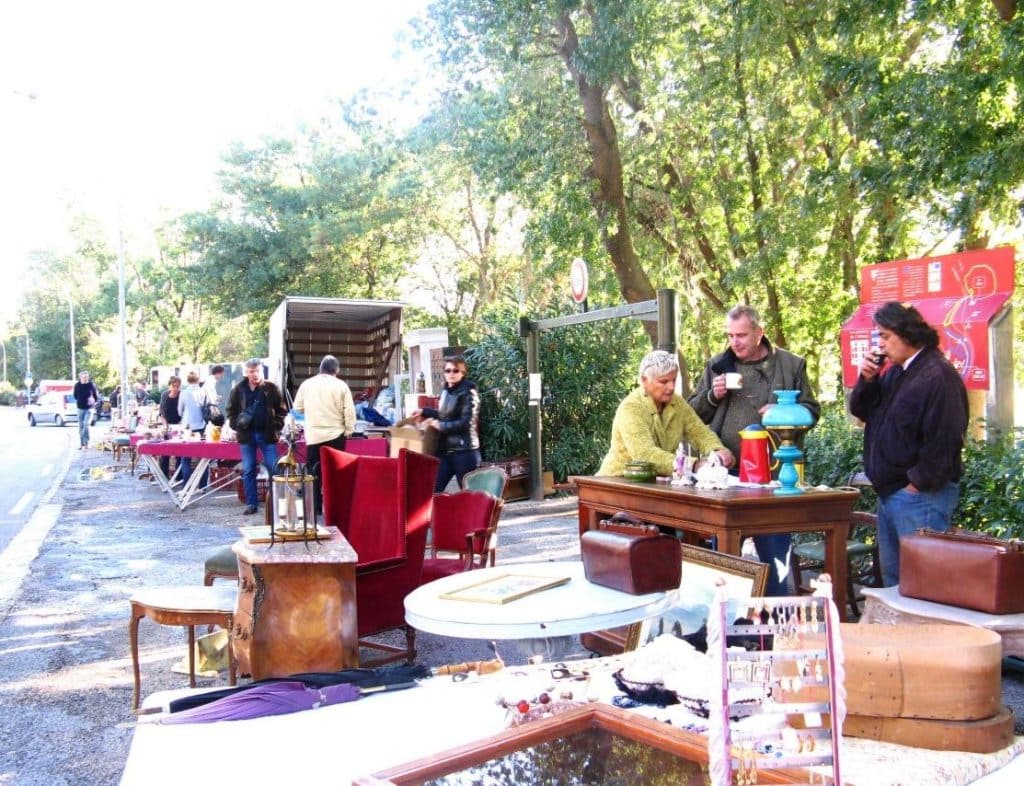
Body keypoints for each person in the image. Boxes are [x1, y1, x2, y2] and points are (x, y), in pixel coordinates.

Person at [688, 305, 820, 595]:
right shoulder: (717, 365)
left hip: (773, 475)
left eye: (742, 335)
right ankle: (724, 623)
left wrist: (785, 409)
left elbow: (812, 412)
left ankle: (773, 626)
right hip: (727, 474)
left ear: (759, 333)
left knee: (774, 556)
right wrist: (713, 395)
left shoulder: (791, 365)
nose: (734, 342)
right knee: (721, 556)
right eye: (730, 335)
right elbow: (692, 415)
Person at [849, 301, 968, 587]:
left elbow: (945, 439)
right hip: (893, 494)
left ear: (908, 335)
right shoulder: (896, 372)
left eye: (885, 336)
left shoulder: (937, 375)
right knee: (896, 583)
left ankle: (928, 634)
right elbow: (861, 411)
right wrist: (867, 380)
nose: (880, 344)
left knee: (924, 584)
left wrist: (914, 485)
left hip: (919, 497)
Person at [598, 350, 732, 478]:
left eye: (674, 380)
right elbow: (645, 454)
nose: (671, 387)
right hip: (616, 481)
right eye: (663, 382)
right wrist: (693, 465)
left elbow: (699, 431)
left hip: (652, 483)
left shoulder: (677, 402)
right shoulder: (631, 407)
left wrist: (717, 450)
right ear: (644, 380)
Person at [293, 355, 356, 516]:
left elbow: (297, 409)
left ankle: (316, 507)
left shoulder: (307, 384)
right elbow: (349, 411)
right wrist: (348, 431)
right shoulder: (341, 386)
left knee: (314, 473)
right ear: (336, 370)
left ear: (320, 369)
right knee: (335, 473)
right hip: (336, 435)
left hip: (313, 436)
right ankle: (335, 507)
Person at [227, 359, 288, 515]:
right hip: (247, 436)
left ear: (262, 371)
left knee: (274, 468)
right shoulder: (238, 390)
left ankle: (277, 503)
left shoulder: (271, 388)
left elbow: (282, 410)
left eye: (257, 371)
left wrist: (276, 425)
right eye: (251, 371)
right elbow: (230, 412)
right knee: (248, 470)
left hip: (267, 435)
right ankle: (251, 503)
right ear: (246, 372)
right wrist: (237, 425)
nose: (255, 374)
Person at [412, 354, 481, 493]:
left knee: (470, 497)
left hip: (464, 451)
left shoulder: (469, 392)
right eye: (448, 371)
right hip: (445, 451)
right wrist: (424, 411)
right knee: (432, 490)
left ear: (463, 372)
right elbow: (444, 416)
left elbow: (466, 422)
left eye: (456, 371)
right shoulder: (445, 391)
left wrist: (441, 426)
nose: (451, 374)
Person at [178, 372, 209, 487]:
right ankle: (203, 485)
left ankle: (187, 485)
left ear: (187, 380)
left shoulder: (184, 392)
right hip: (201, 425)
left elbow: (179, 410)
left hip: (187, 426)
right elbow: (207, 407)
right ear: (198, 380)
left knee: (186, 457)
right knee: (203, 457)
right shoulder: (202, 391)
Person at [157, 376, 183, 479]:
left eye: (177, 386)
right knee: (164, 453)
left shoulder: (181, 395)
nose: (175, 388)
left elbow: (184, 412)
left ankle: (179, 477)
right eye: (173, 386)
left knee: (179, 453)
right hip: (167, 425)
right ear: (169, 385)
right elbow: (161, 413)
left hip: (179, 425)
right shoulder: (164, 395)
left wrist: (180, 425)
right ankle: (164, 476)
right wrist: (165, 425)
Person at [72, 371, 99, 450]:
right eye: (84, 377)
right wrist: (80, 400)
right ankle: (81, 444)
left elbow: (95, 395)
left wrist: (93, 403)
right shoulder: (77, 385)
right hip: (80, 408)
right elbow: (75, 395)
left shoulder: (91, 385)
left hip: (89, 408)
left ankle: (86, 443)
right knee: (81, 426)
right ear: (80, 377)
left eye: (87, 377)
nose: (85, 379)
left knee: (86, 425)